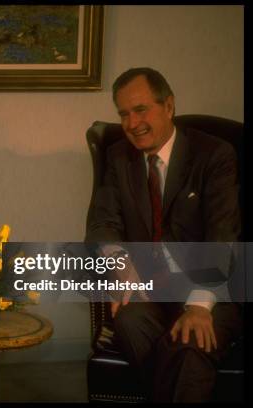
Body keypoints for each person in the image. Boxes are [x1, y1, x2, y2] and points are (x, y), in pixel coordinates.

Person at [85, 68, 243, 402]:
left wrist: (199, 307)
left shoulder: (215, 155)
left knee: (192, 342)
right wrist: (120, 264)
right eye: (124, 114)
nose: (132, 123)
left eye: (141, 109)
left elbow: (222, 234)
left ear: (168, 106)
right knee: (129, 320)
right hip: (149, 290)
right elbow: (103, 223)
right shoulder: (118, 158)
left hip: (211, 288)